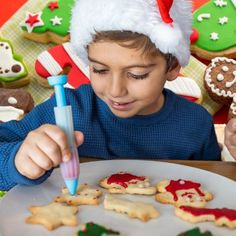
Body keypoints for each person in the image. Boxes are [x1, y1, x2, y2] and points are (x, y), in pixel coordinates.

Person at [0, 0, 221, 191]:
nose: (116, 90)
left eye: (137, 74)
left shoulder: (196, 124)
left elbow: (215, 184)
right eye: (100, 70)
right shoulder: (68, 108)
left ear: (172, 67)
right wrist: (17, 161)